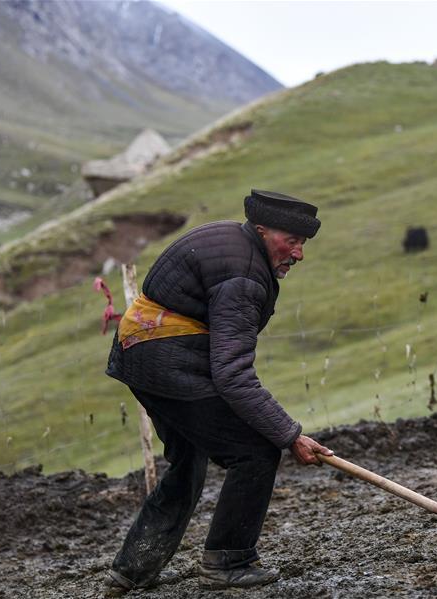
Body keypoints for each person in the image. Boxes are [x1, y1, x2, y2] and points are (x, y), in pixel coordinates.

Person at [103, 189, 334, 595]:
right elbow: (232, 374)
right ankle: (229, 561)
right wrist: (289, 434)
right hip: (168, 363)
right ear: (262, 231)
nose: (298, 255)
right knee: (256, 451)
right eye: (292, 242)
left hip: (142, 355)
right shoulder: (244, 277)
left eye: (302, 244)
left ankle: (132, 569)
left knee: (189, 457)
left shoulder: (232, 238)